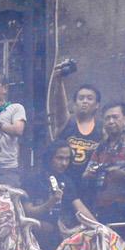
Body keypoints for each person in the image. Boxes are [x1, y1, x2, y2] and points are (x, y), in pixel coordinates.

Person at [45, 75, 105, 210]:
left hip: (89, 186)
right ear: (74, 103)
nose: (85, 101)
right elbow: (59, 106)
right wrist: (59, 81)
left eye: (90, 98)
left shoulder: (102, 128)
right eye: (81, 98)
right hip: (64, 181)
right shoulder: (66, 122)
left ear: (97, 104)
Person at [80, 102, 125, 223]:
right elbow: (84, 175)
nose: (111, 122)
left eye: (115, 117)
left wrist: (123, 174)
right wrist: (91, 173)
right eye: (107, 118)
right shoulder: (101, 146)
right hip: (102, 207)